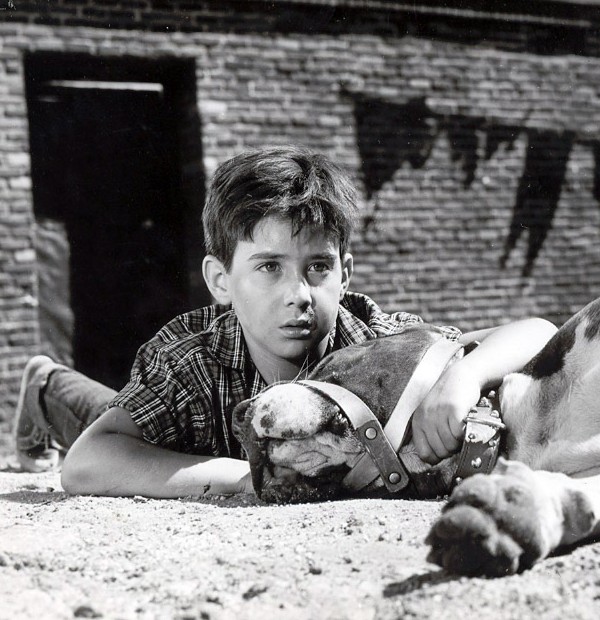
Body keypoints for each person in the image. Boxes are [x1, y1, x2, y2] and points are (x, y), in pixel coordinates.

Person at [13, 145, 557, 498]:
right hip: (179, 441)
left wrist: (464, 375)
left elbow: (541, 333)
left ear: (345, 274)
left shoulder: (374, 340)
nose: (298, 295)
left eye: (318, 267)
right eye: (269, 267)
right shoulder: (188, 357)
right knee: (97, 412)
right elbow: (86, 462)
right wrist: (242, 477)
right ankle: (44, 385)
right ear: (221, 280)